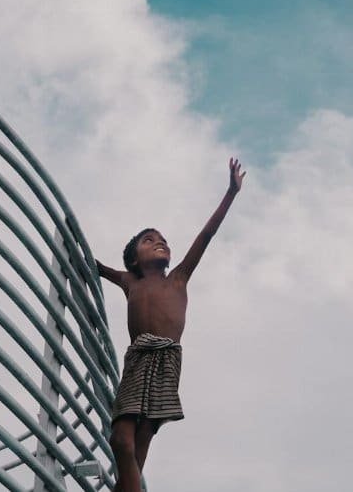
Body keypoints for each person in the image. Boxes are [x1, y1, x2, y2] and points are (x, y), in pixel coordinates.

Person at [96, 158, 246, 492]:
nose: (160, 242)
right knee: (121, 441)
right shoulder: (130, 281)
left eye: (163, 239)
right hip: (137, 360)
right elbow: (96, 267)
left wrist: (231, 192)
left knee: (140, 445)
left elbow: (206, 236)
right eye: (149, 240)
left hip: (166, 361)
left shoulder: (178, 278)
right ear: (135, 258)